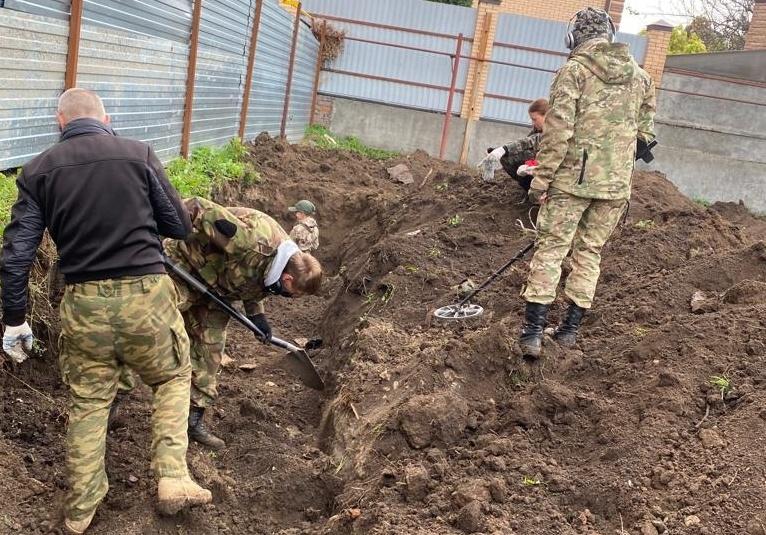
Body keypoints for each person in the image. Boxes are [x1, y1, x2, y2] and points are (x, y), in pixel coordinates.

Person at [0, 88, 211, 534]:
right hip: (147, 297)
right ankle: (172, 476)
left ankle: (80, 509)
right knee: (173, 377)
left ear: (60, 123)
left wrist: (15, 318)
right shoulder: (138, 154)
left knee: (90, 402)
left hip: (84, 304)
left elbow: (18, 254)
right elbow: (180, 225)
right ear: (106, 118)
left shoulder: (38, 171)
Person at [518, 8, 656, 357]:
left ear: (573, 38)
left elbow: (557, 132)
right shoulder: (642, 78)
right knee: (589, 253)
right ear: (609, 35)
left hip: (570, 184)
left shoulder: (573, 72)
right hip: (614, 187)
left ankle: (533, 334)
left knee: (551, 249)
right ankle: (568, 332)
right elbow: (645, 135)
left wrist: (541, 180)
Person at [162, 197, 323, 449]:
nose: (293, 299)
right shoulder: (250, 240)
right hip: (184, 269)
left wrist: (258, 316)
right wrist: (153, 229)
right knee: (152, 325)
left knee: (210, 353)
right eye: (296, 294)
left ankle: (192, 421)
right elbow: (196, 206)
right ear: (289, 279)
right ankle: (118, 389)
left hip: (217, 293)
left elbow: (257, 282)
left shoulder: (281, 266)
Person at [485, 98, 550, 191]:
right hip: (541, 163)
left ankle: (540, 192)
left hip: (555, 170)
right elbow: (524, 143)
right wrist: (497, 151)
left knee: (522, 156)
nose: (532, 123)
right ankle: (529, 190)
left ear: (547, 116)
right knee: (508, 158)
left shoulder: (555, 130)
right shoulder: (538, 128)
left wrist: (503, 150)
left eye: (534, 119)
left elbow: (529, 142)